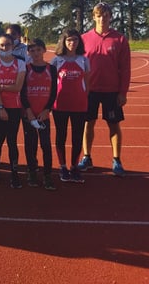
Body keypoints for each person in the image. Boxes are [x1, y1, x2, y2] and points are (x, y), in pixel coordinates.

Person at [80, 2, 131, 177]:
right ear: (93, 17)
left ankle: (117, 159)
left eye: (106, 15)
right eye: (99, 15)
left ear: (110, 17)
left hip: (111, 91)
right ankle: (87, 157)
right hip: (90, 90)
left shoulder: (120, 39)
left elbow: (125, 69)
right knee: (88, 123)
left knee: (114, 125)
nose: (102, 19)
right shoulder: (84, 38)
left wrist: (123, 92)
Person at [51, 29, 90, 183]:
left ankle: (74, 167)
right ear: (63, 42)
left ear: (79, 42)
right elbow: (51, 83)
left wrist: (84, 98)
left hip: (79, 105)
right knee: (61, 135)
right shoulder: (56, 60)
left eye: (75, 40)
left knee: (77, 137)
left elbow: (87, 83)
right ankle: (62, 167)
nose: (72, 43)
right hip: (60, 104)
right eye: (69, 40)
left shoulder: (84, 60)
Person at [0, 34, 26, 188]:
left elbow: (17, 88)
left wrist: (0, 86)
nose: (5, 48)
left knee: (12, 141)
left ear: (13, 46)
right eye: (2, 45)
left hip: (15, 108)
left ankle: (14, 173)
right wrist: (1, 107)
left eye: (8, 45)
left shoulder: (20, 64)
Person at [21, 39, 57, 190]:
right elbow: (22, 92)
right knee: (30, 144)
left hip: (43, 114)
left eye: (38, 50)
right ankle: (32, 171)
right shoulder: (26, 69)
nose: (35, 53)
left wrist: (47, 109)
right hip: (29, 113)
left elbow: (54, 92)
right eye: (32, 50)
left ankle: (47, 174)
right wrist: (28, 110)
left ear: (44, 50)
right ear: (28, 52)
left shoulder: (51, 69)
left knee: (46, 145)